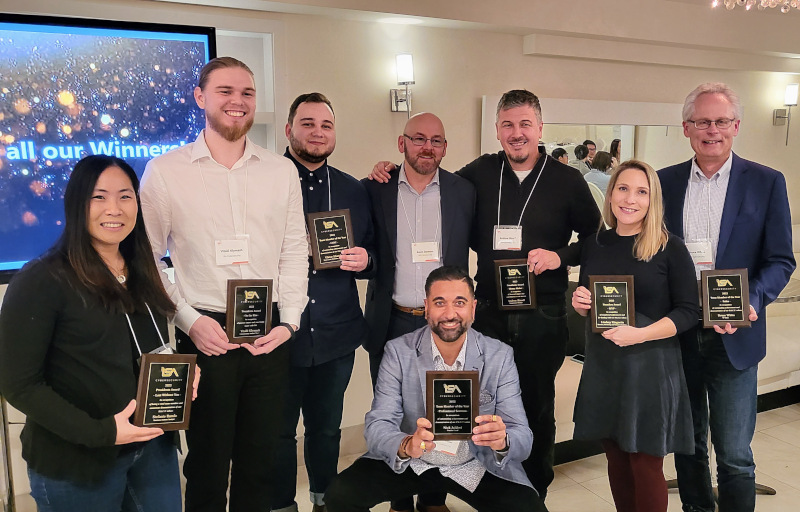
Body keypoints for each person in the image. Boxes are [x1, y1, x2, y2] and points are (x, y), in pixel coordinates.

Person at [369, 90, 601, 499]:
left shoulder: (567, 180)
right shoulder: (478, 173)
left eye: (525, 124)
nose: (517, 134)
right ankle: (483, 488)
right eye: (508, 125)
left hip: (542, 314)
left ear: (540, 129)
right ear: (497, 131)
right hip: (488, 312)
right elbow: (430, 173)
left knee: (535, 409)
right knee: (477, 408)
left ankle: (531, 496)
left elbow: (596, 238)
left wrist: (560, 256)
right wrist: (391, 167)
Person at [140, 57, 309, 512]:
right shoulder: (165, 171)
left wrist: (289, 323)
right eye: (225, 92)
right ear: (200, 97)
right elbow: (147, 260)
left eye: (247, 93)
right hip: (205, 336)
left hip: (269, 336)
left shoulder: (281, 171)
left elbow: (295, 251)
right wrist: (189, 321)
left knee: (263, 460)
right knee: (208, 464)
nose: (238, 102)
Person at [0, 155, 198, 512]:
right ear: (77, 203)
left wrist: (181, 374)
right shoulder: (42, 279)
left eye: (125, 196)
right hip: (79, 462)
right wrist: (103, 432)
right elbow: (18, 384)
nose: (115, 208)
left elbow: (147, 343)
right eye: (99, 196)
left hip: (152, 448)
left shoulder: (142, 269)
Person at [659, 82, 795, 512]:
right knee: (689, 446)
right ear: (686, 128)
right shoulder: (664, 184)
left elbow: (780, 261)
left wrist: (752, 299)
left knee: (735, 453)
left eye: (720, 121)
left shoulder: (767, 183)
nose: (711, 130)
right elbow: (651, 257)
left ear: (736, 126)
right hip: (679, 335)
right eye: (702, 121)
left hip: (736, 337)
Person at [325, 266, 548, 512]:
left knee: (530, 508)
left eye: (459, 302)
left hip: (474, 462)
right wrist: (406, 444)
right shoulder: (399, 352)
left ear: (472, 308)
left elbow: (523, 437)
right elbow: (378, 424)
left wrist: (502, 440)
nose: (450, 313)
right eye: (440, 302)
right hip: (415, 461)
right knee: (340, 495)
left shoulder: (499, 356)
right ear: (427, 308)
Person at [571, 160, 699, 512]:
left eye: (641, 191)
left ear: (652, 199)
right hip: (605, 364)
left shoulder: (669, 247)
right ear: (610, 194)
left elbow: (689, 311)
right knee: (615, 455)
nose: (630, 199)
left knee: (645, 461)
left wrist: (641, 335)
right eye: (623, 189)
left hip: (650, 366)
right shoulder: (595, 243)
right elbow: (591, 298)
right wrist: (581, 302)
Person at [363, 112, 475, 512]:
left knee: (441, 410)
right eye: (419, 139)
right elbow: (366, 250)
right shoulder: (375, 188)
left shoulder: (464, 190)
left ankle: (433, 497)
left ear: (445, 148)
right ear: (401, 143)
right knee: (392, 412)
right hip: (392, 318)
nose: (428, 147)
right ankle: (398, 500)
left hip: (444, 324)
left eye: (437, 141)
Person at [272, 92, 376, 512]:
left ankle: (322, 501)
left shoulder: (354, 189)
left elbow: (376, 254)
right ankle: (281, 504)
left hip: (336, 335)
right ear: (289, 129)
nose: (317, 132)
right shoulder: (265, 183)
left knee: (326, 429)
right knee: (277, 431)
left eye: (326, 125)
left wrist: (366, 259)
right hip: (278, 334)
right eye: (308, 123)